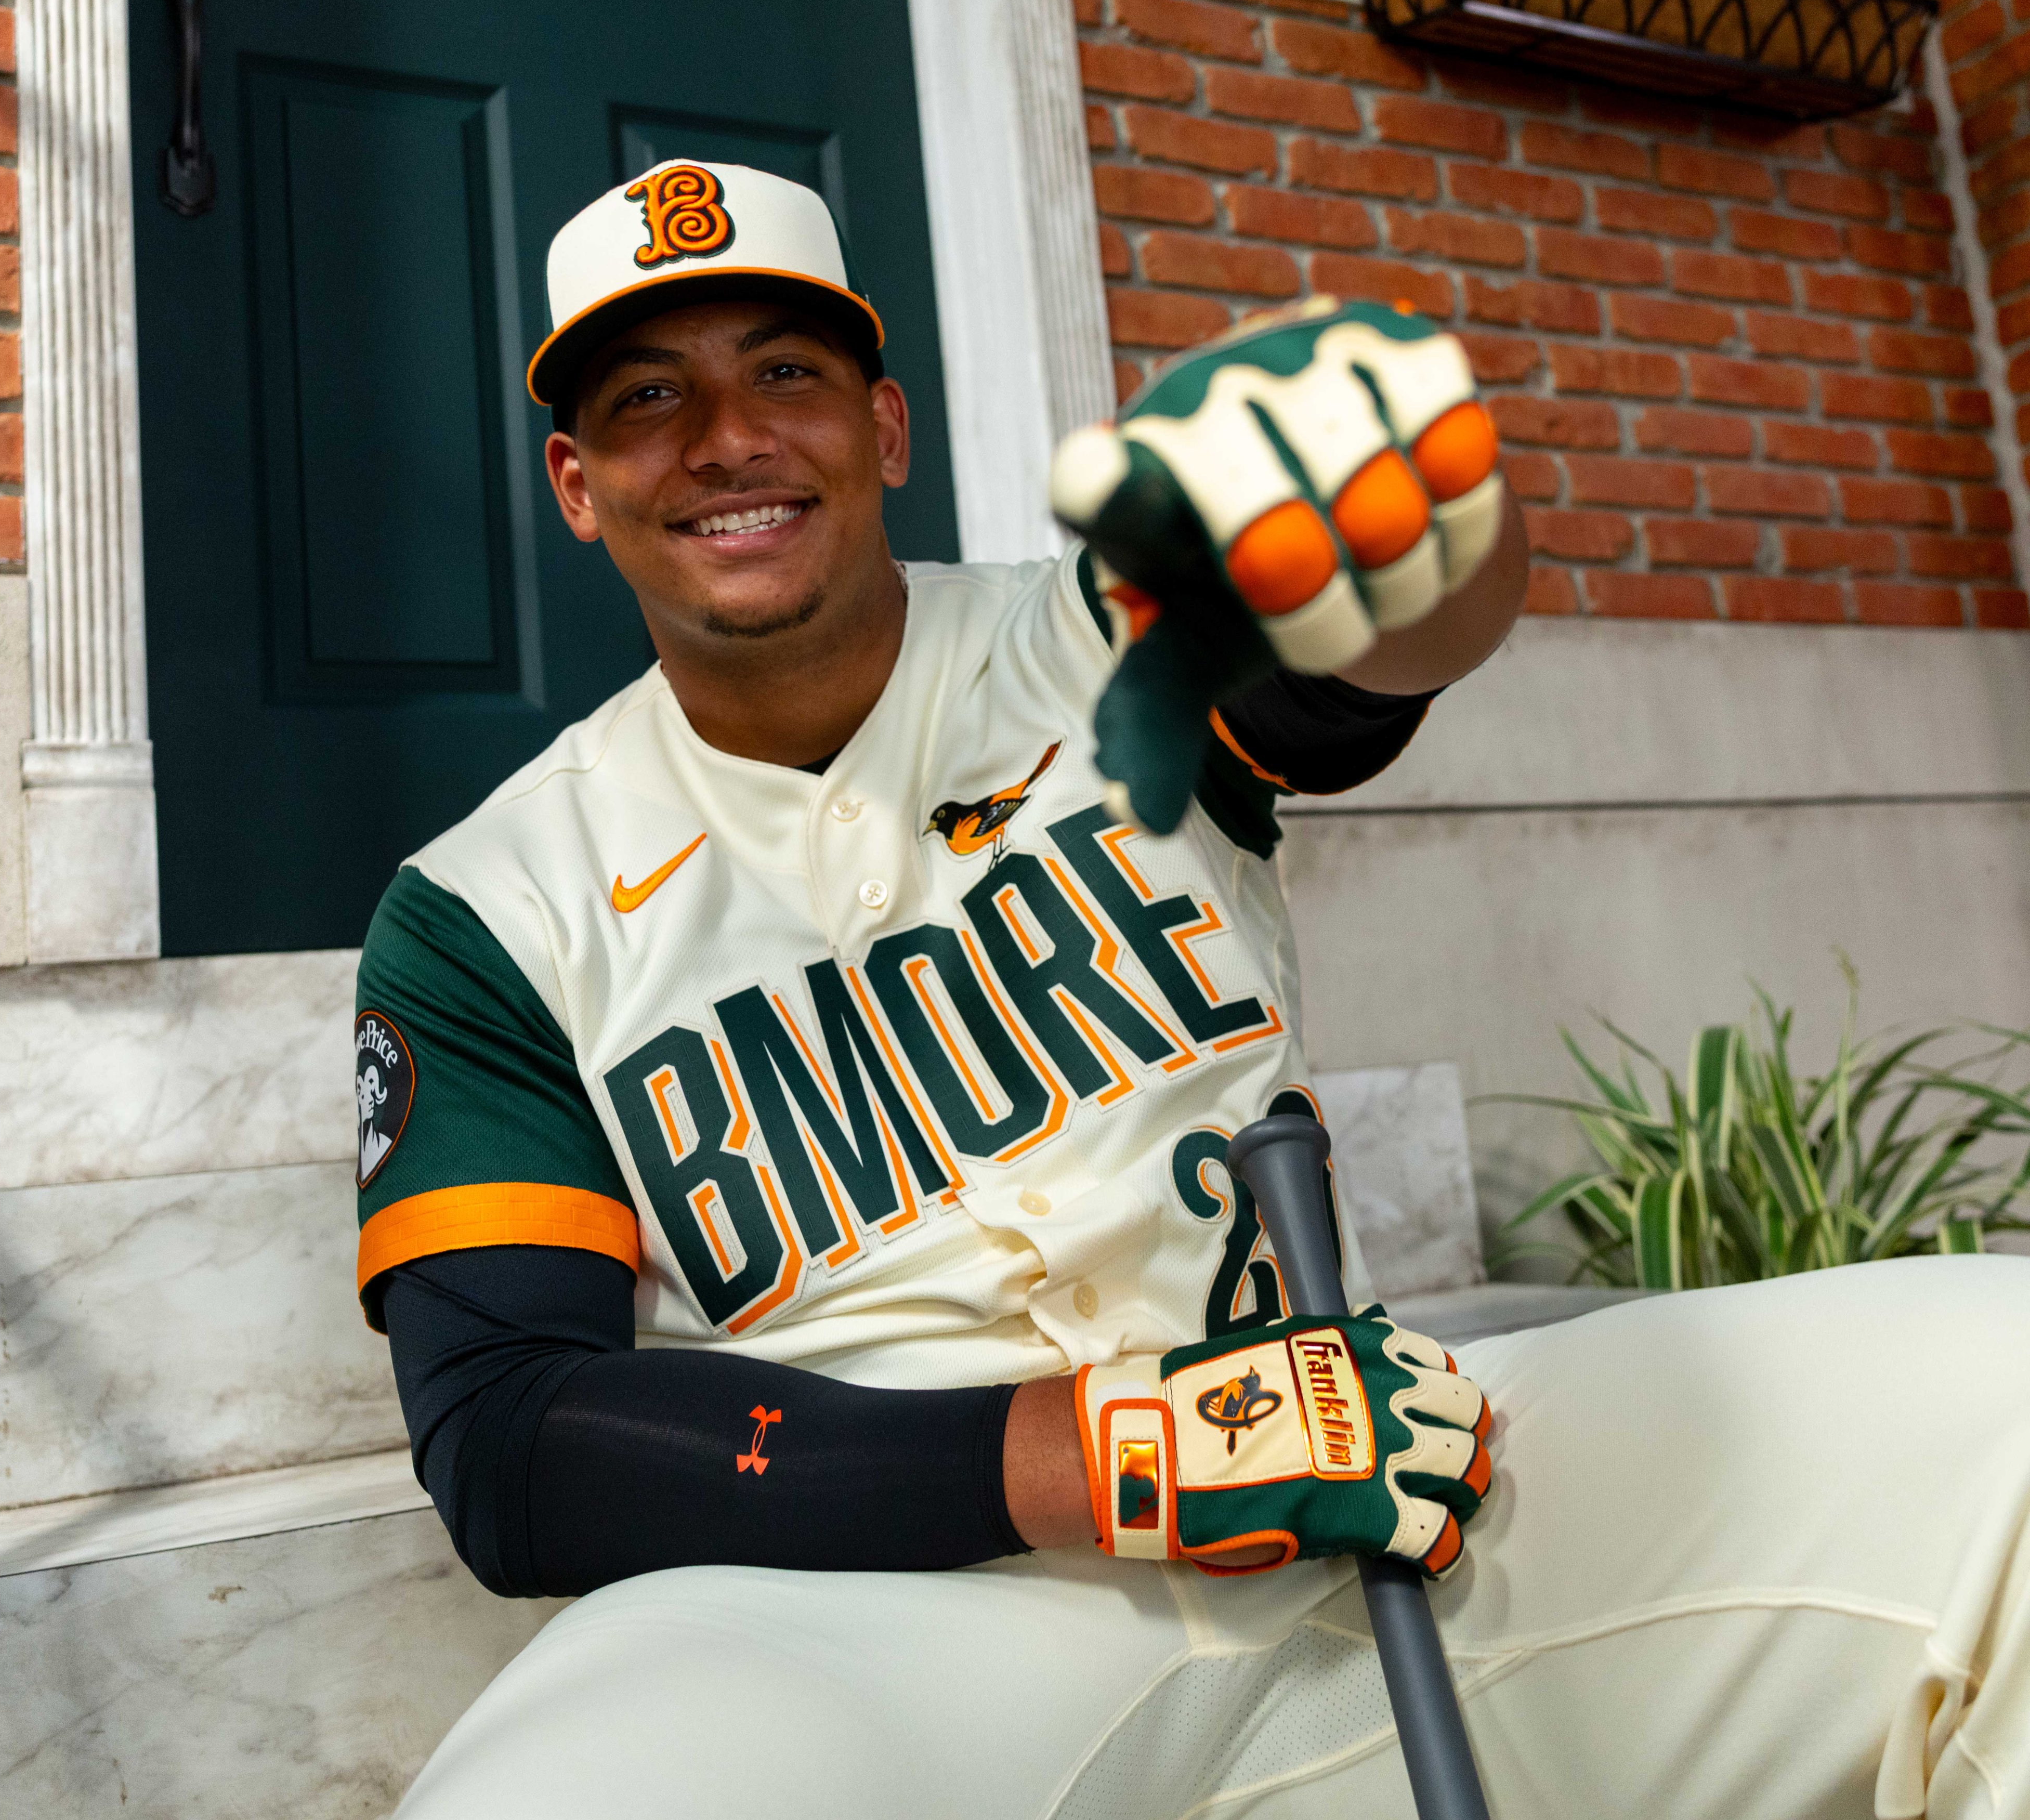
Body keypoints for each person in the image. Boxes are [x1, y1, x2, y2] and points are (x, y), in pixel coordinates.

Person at [358, 161, 2030, 1819]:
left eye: (783, 372)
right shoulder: (485, 909)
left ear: (884, 432)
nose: (727, 437)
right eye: (652, 398)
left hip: (1374, 1480)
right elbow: (514, 1440)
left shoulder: (1095, 632)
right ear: (580, 484)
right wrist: (1108, 1451)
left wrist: (1424, 522)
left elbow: (1377, 649)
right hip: (870, 1612)